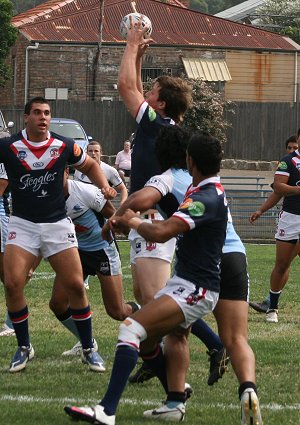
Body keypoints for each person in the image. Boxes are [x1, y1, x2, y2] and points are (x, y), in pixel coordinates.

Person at [64, 132, 228, 425]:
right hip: (187, 283)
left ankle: (106, 411)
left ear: (191, 160)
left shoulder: (204, 197)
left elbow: (163, 232)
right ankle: (175, 401)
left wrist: (132, 220)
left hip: (196, 289)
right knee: (152, 341)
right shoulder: (202, 189)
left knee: (130, 329)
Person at [104, 126, 262, 423]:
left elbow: (140, 201)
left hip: (205, 261)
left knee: (174, 326)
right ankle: (247, 391)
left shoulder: (172, 178)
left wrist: (120, 217)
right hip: (235, 256)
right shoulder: (209, 183)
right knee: (236, 337)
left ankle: (173, 396)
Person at [0, 96, 116, 372]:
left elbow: (89, 165)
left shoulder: (63, 145)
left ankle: (89, 348)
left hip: (56, 224)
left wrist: (103, 187)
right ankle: (24, 347)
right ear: (26, 117)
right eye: (38, 113)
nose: (43, 117)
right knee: (13, 283)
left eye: (47, 113)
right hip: (23, 223)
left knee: (75, 285)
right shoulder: (8, 146)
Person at [52, 169, 139, 359]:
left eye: (56, 172)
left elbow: (113, 216)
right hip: (73, 251)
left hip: (101, 251)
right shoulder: (46, 198)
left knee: (117, 311)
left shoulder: (85, 192)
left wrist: (119, 227)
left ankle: (149, 320)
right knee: (58, 303)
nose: (52, 177)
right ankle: (87, 342)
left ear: (66, 172)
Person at [249, 134, 299, 314]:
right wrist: (261, 210)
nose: (292, 150)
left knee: (285, 263)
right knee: (283, 264)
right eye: (290, 147)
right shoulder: (288, 162)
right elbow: (278, 189)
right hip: (291, 219)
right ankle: (271, 305)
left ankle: (269, 303)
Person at [74, 140, 128, 206]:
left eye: (96, 151)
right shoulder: (79, 170)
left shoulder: (110, 170)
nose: (93, 153)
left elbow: (123, 189)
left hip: (102, 208)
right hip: (83, 207)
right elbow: (75, 190)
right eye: (90, 151)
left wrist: (122, 203)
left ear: (101, 153)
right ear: (86, 153)